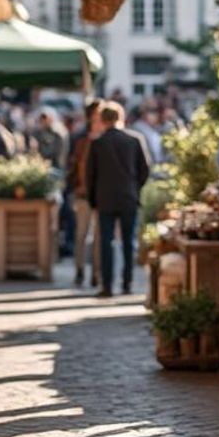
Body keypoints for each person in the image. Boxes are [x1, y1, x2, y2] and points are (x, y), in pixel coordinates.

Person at [86, 102, 151, 297]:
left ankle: (107, 285)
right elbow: (145, 170)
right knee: (128, 242)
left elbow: (90, 176)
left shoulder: (98, 143)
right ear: (120, 118)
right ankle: (127, 283)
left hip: (105, 198)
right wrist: (135, 188)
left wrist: (93, 200)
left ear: (102, 120)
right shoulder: (134, 140)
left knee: (106, 242)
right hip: (128, 196)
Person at [68, 100, 104, 288]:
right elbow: (72, 165)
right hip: (83, 193)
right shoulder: (80, 138)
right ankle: (80, 270)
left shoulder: (106, 136)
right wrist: (74, 188)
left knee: (98, 237)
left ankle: (96, 273)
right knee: (81, 234)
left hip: (102, 194)